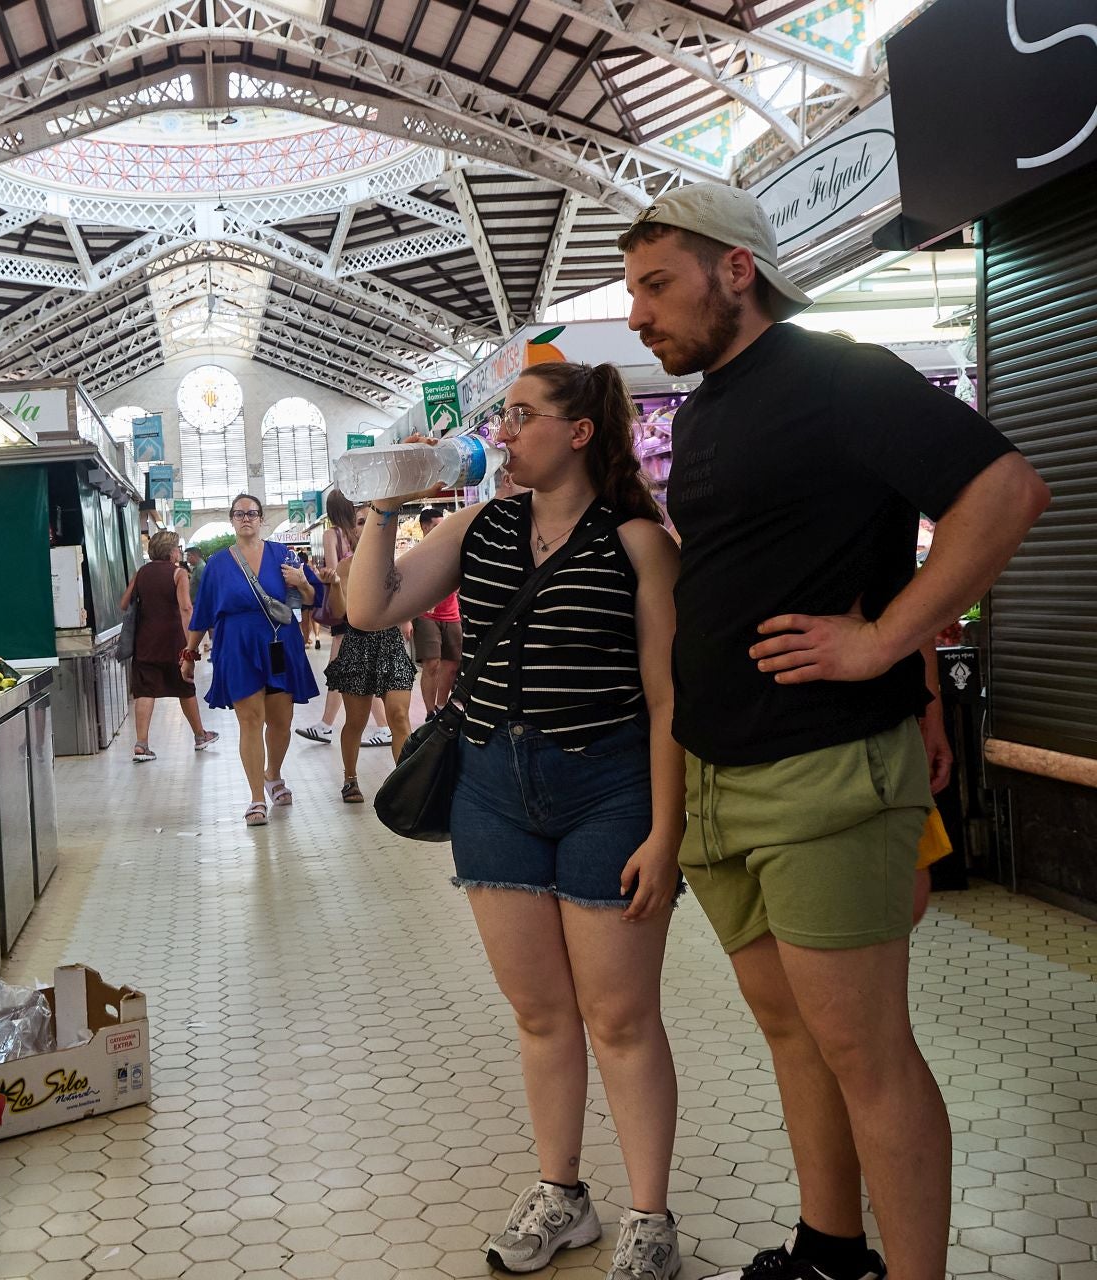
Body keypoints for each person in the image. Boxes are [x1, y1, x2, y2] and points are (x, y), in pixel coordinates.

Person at [619, 183, 1049, 1280]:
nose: (636, 313)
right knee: (792, 1031)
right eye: (631, 290)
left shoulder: (835, 373)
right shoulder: (710, 404)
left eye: (655, 285)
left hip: (822, 766)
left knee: (868, 1050)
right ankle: (829, 1247)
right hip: (721, 775)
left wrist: (887, 640)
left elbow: (1001, 489)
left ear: (735, 270)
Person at [349, 360, 685, 1280]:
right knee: (541, 1014)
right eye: (505, 417)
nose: (504, 432)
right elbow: (370, 605)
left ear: (579, 433)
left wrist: (667, 831)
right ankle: (563, 1195)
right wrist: (385, 500)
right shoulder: (479, 527)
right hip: (493, 786)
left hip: (608, 787)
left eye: (524, 417)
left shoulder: (639, 543)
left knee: (620, 1016)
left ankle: (649, 1216)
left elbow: (667, 699)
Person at [182, 493, 320, 826]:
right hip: (238, 646)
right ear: (232, 520)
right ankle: (257, 796)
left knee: (281, 721)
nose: (247, 518)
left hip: (279, 642)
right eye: (240, 513)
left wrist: (303, 582)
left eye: (253, 513)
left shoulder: (282, 554)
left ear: (261, 520)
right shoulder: (217, 564)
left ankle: (273, 773)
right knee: (250, 720)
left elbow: (312, 600)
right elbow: (201, 615)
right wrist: (189, 653)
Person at [317, 490, 416, 803]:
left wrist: (406, 617)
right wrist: (333, 585)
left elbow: (407, 599)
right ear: (354, 528)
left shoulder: (394, 564)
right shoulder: (346, 568)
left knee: (399, 716)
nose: (367, 525)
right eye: (362, 521)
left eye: (374, 519)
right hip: (358, 644)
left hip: (390, 643)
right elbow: (341, 612)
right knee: (356, 722)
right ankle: (350, 778)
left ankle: (405, 781)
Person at [297, 498, 389, 748]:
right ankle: (328, 725)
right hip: (362, 606)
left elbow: (333, 571)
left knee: (347, 670)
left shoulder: (331, 534)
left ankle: (380, 727)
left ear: (330, 510)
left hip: (342, 607)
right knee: (350, 671)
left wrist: (316, 577)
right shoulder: (356, 533)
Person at [122, 530, 219, 761]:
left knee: (145, 690)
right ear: (171, 551)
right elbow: (186, 608)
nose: (179, 552)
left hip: (145, 641)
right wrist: (189, 646)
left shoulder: (141, 572)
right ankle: (199, 735)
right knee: (184, 687)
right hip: (173, 640)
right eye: (177, 548)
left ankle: (141, 745)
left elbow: (124, 603)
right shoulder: (179, 573)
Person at [408, 506, 463, 713]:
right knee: (431, 664)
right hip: (426, 615)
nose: (443, 529)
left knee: (452, 665)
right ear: (424, 527)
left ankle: (442, 707)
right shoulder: (417, 554)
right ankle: (430, 713)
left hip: (452, 614)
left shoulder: (453, 548)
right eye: (437, 526)